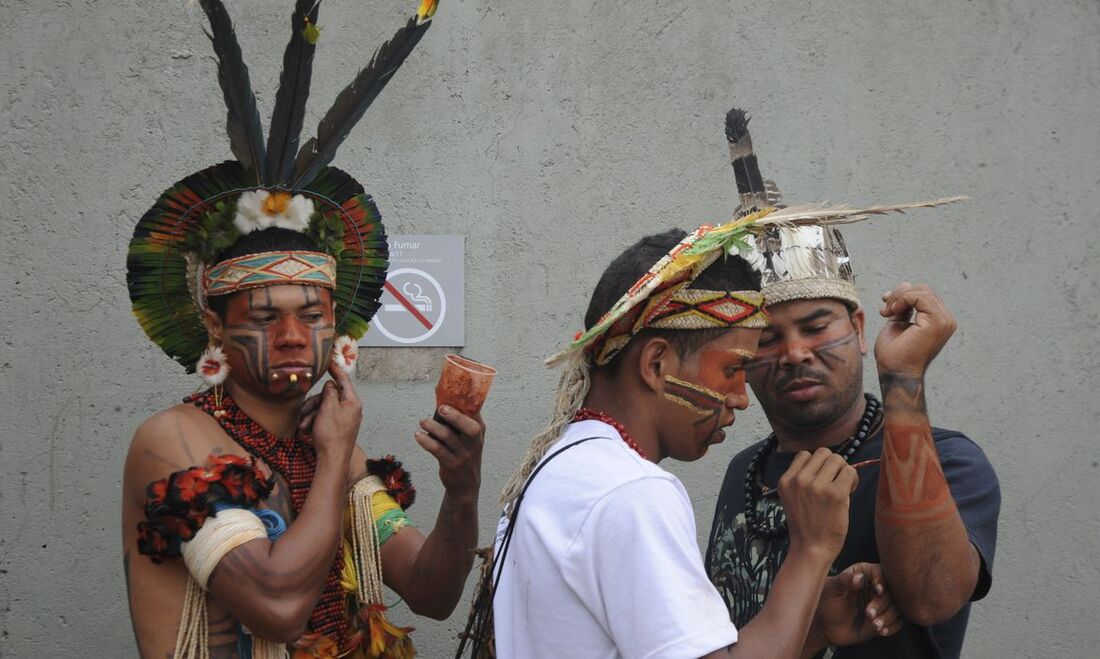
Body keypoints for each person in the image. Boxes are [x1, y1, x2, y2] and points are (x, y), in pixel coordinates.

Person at [121, 2, 483, 657]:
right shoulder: (173, 442)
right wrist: (336, 456)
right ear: (214, 323)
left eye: (313, 314)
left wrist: (462, 493)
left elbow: (431, 592)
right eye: (265, 316)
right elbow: (279, 606)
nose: (294, 334)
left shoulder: (331, 449)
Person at [458, 221, 900, 659]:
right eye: (731, 370)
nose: (741, 398)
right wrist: (812, 548)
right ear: (656, 365)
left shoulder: (563, 464)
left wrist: (816, 622)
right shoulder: (632, 492)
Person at [704, 109, 1000, 658]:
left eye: (817, 327)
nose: (795, 353)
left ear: (859, 328)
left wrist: (903, 378)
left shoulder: (952, 462)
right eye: (767, 338)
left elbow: (935, 601)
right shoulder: (744, 473)